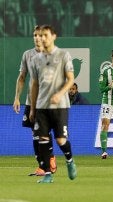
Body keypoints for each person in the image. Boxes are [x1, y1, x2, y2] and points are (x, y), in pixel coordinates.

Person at [29, 24, 77, 183]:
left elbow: (71, 79)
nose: (42, 38)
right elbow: (34, 84)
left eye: (45, 35)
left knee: (60, 140)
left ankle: (69, 161)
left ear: (54, 36)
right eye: (40, 35)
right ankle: (48, 174)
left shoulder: (64, 55)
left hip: (60, 105)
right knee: (42, 138)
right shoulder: (35, 59)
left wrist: (60, 94)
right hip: (42, 105)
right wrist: (32, 107)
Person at [13, 25, 57, 176]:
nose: (37, 38)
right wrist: (17, 98)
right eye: (35, 35)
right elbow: (22, 77)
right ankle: (42, 166)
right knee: (35, 133)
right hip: (30, 101)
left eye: (40, 35)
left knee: (43, 132)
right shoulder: (27, 55)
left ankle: (50, 160)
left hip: (46, 101)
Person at [98, 48, 113, 159]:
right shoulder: (105, 70)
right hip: (107, 101)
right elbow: (101, 88)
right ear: (112, 57)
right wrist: (109, 86)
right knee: (105, 124)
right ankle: (104, 152)